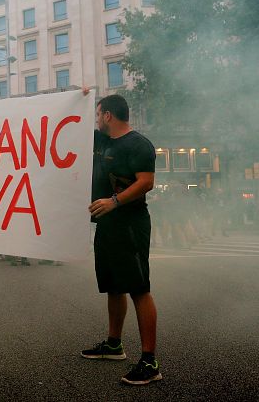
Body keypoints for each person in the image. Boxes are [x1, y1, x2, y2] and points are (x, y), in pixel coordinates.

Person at [80, 92, 162, 386]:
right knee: (114, 286)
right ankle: (114, 344)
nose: (96, 119)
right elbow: (68, 125)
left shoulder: (138, 144)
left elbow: (146, 181)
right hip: (108, 225)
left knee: (139, 288)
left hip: (130, 223)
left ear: (108, 116)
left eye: (97, 113)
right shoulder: (103, 141)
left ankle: (150, 361)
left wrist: (114, 201)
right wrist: (80, 97)